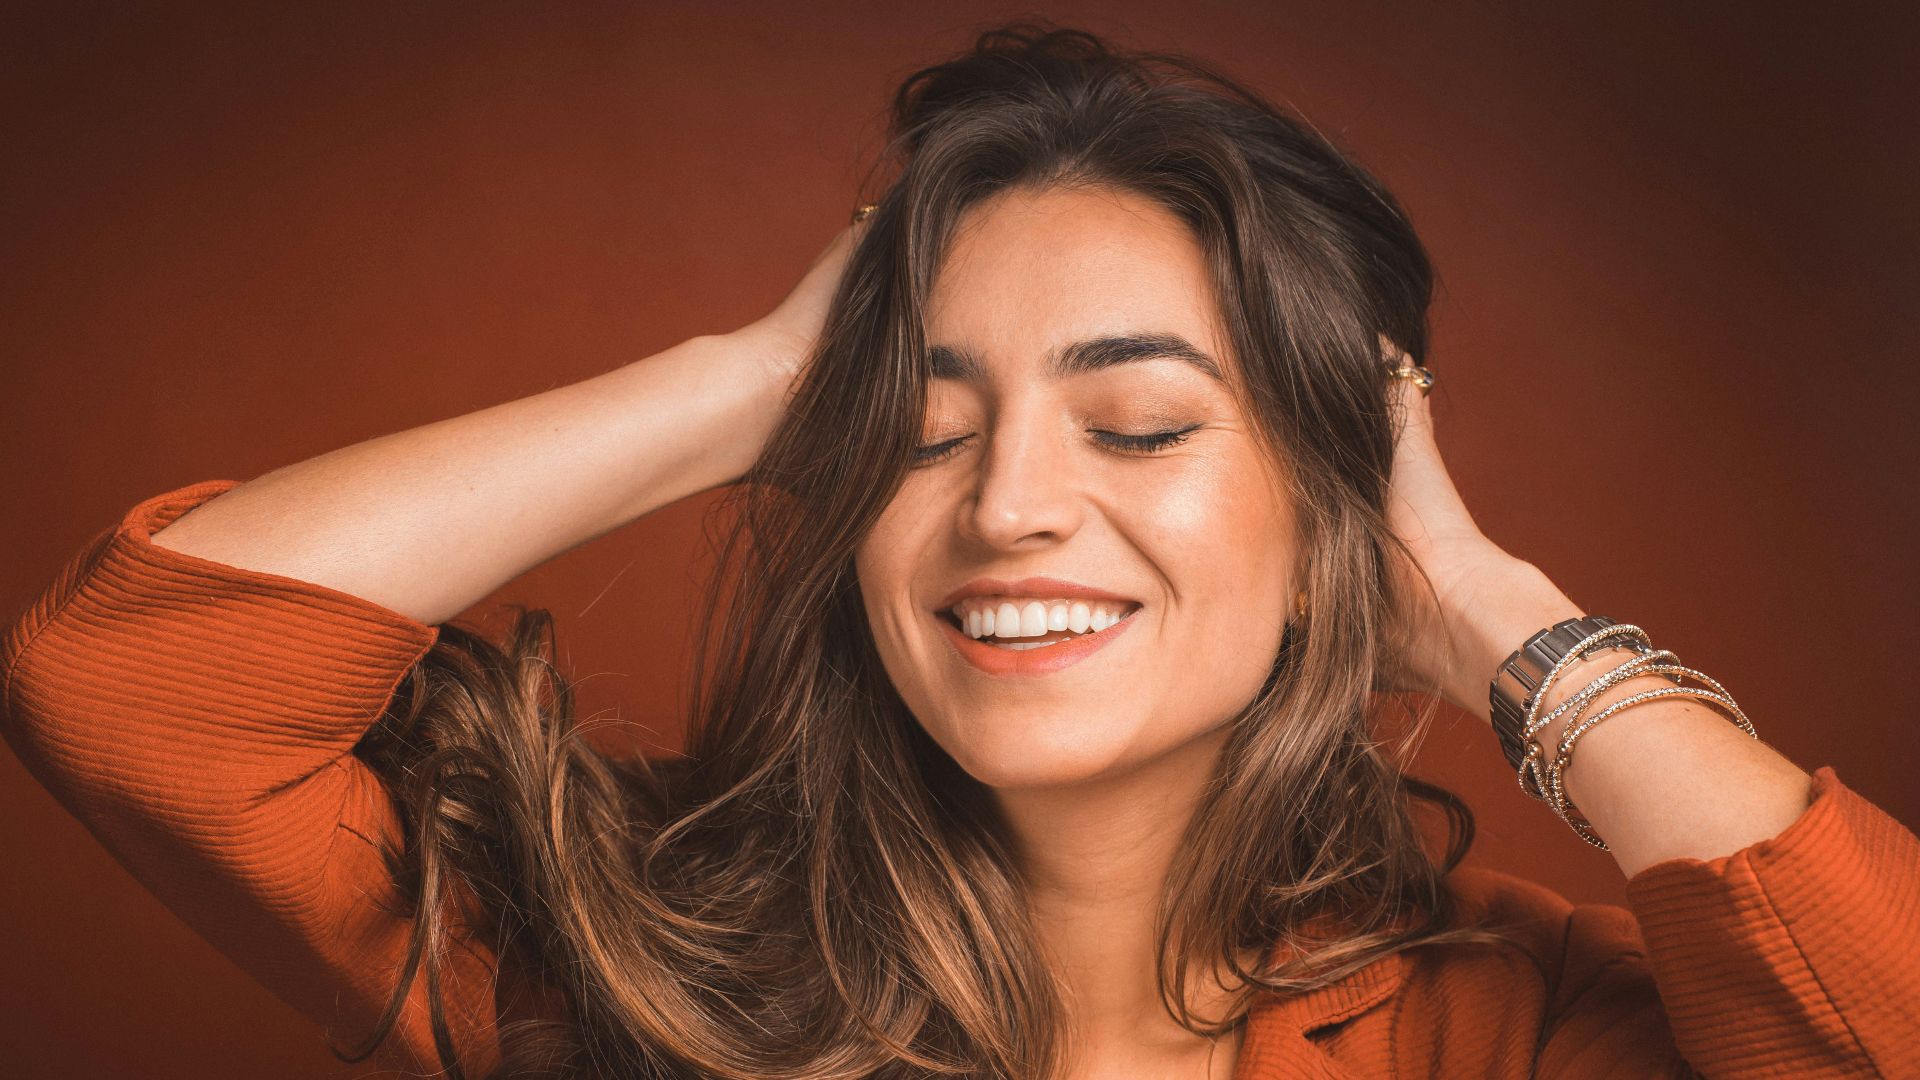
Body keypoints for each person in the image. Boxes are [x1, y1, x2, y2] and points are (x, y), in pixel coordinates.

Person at [3, 21, 1916, 1080]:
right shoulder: (617, 963)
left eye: (1143, 425)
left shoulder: (1516, 1029)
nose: (1005, 505)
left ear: (1343, 514)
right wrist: (751, 379)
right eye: (922, 432)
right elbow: (122, 691)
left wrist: (1506, 619)